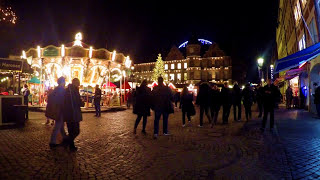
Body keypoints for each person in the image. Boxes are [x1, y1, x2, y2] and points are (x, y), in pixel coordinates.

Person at [47, 77, 68, 149]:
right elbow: (62, 101)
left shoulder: (56, 90)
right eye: (64, 81)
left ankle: (65, 138)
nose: (65, 83)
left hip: (57, 109)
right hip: (60, 110)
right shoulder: (61, 90)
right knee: (57, 126)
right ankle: (52, 142)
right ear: (62, 82)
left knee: (61, 125)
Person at [63, 78, 83, 151]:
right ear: (75, 83)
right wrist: (81, 103)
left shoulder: (69, 90)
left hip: (69, 113)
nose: (79, 84)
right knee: (75, 131)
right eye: (78, 82)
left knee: (72, 131)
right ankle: (67, 142)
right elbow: (76, 101)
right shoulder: (73, 91)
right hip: (72, 113)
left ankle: (70, 144)